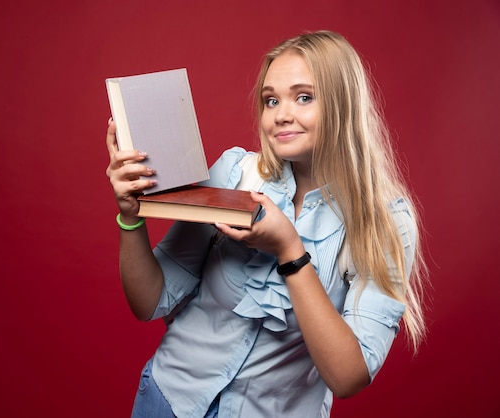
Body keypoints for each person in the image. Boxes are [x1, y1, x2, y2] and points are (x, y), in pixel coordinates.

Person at [105, 30, 427, 418]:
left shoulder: (386, 220)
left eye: (304, 97)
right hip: (167, 401)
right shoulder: (234, 173)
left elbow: (348, 376)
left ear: (343, 105)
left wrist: (290, 251)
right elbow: (150, 301)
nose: (280, 114)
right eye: (271, 100)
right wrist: (130, 215)